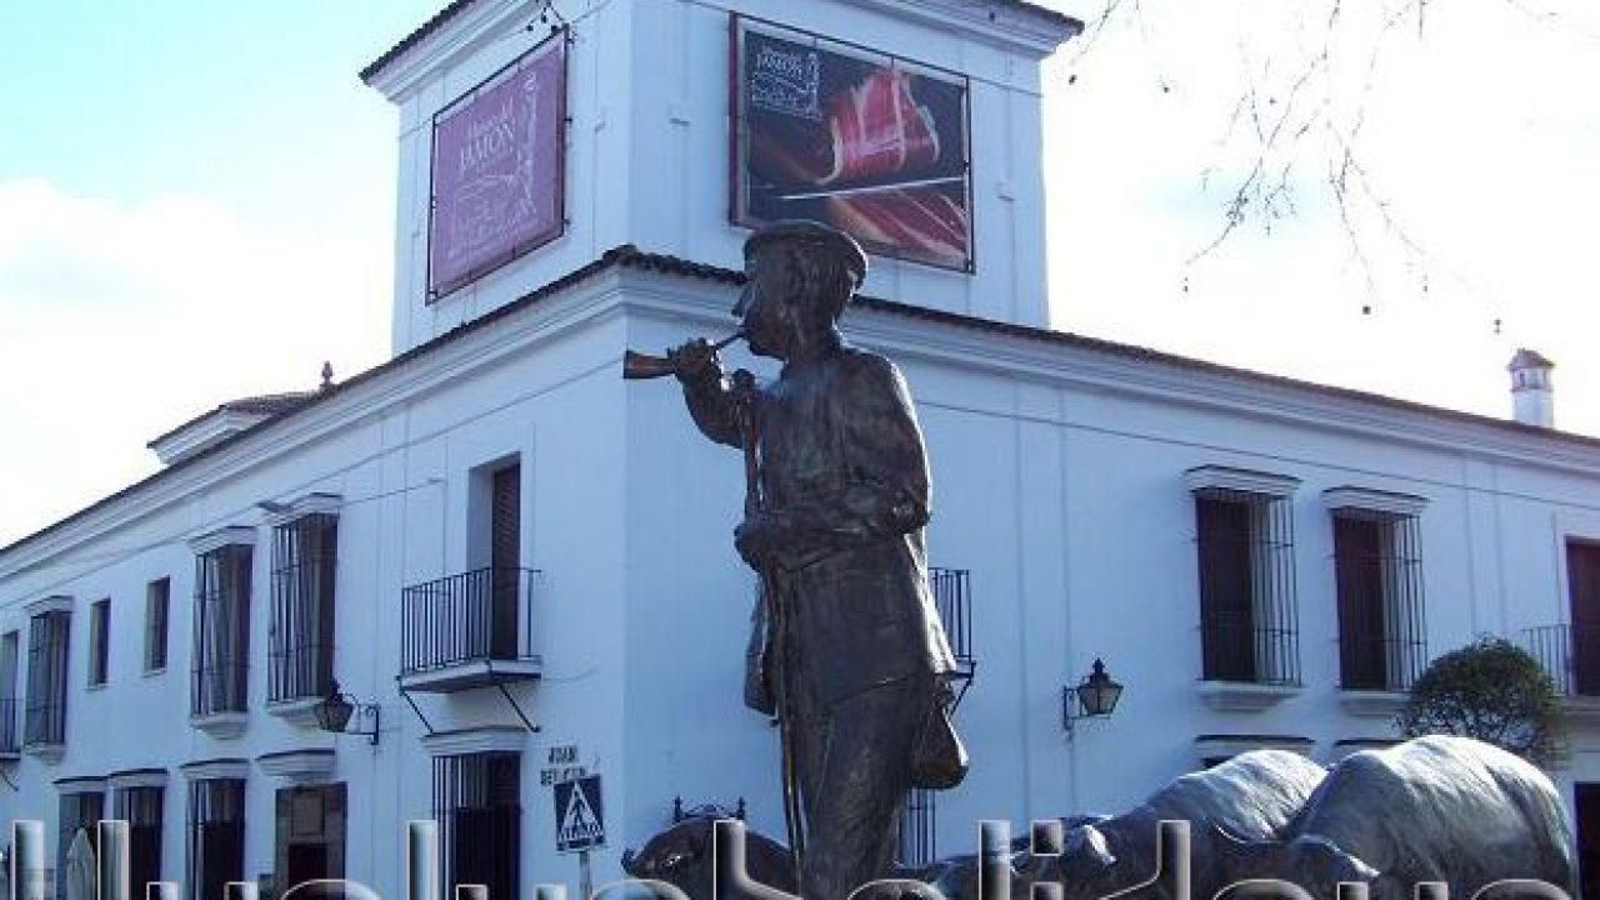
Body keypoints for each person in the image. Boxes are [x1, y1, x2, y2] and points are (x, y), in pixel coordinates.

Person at [668, 220, 963, 900]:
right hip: (803, 652)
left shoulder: (864, 377)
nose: (739, 307)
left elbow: (904, 495)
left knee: (835, 869)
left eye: (753, 285)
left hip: (877, 656)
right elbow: (730, 426)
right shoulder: (776, 398)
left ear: (798, 285)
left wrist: (782, 528)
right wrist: (700, 384)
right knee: (838, 864)